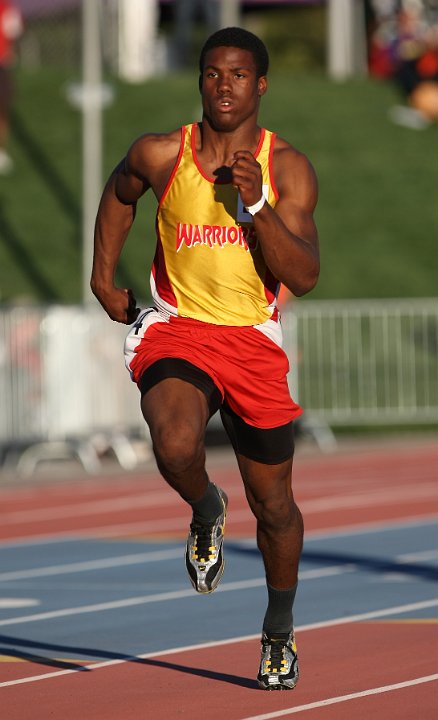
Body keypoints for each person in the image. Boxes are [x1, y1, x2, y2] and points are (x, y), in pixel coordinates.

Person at [91, 26, 319, 691]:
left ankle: (278, 631)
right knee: (174, 440)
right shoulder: (164, 153)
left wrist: (255, 207)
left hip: (251, 340)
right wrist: (103, 277)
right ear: (200, 80)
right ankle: (204, 505)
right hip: (179, 328)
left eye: (239, 76)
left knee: (275, 507)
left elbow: (302, 275)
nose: (225, 87)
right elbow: (121, 188)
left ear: (261, 86)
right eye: (214, 74)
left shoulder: (287, 168)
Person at [0, 0, 22, 173]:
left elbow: (13, 30)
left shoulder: (6, 7)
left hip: (2, 64)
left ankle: (1, 151)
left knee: (3, 108)